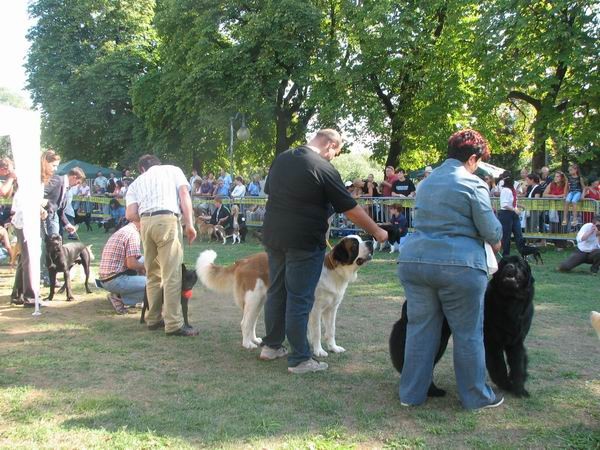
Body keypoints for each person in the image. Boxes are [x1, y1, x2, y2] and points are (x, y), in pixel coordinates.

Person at [260, 128, 387, 374]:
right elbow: (350, 208)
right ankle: (299, 359)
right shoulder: (323, 167)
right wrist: (378, 231)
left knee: (277, 291)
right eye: (335, 153)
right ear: (330, 144)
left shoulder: (283, 158)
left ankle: (271, 346)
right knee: (300, 298)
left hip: (274, 236)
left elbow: (273, 193)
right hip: (304, 241)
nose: (333, 157)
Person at [397, 129, 503, 409]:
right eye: (479, 161)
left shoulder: (425, 184)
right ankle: (476, 397)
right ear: (472, 158)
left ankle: (410, 394)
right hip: (460, 266)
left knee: (420, 329)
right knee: (468, 333)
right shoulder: (473, 183)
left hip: (415, 262)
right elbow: (491, 230)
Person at [125, 154, 197, 336]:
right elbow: (183, 194)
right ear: (158, 163)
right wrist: (189, 224)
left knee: (153, 273)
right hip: (167, 219)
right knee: (172, 275)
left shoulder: (136, 183)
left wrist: (147, 221)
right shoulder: (173, 170)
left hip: (145, 223)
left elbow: (130, 214)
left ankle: (153, 319)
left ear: (142, 169)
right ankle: (174, 324)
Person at [98, 220, 146, 314]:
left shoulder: (123, 231)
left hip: (105, 279)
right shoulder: (133, 234)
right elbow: (131, 264)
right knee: (155, 285)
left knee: (144, 259)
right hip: (115, 280)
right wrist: (146, 267)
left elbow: (128, 261)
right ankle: (119, 298)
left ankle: (118, 295)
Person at [498, 174, 523, 256]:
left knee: (518, 233)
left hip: (513, 214)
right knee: (506, 235)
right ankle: (506, 254)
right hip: (506, 214)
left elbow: (511, 202)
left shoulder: (512, 190)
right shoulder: (506, 190)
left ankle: (522, 251)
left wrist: (518, 206)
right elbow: (504, 204)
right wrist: (515, 209)